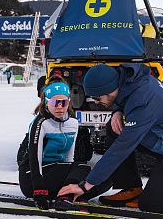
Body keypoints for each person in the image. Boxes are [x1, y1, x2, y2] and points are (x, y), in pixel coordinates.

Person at [58, 64, 163, 214]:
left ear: (110, 90)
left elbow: (121, 149)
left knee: (152, 205)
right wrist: (117, 111)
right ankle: (131, 188)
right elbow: (123, 99)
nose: (97, 102)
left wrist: (85, 186)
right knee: (114, 127)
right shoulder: (130, 79)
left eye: (97, 98)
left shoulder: (142, 100)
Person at [18, 77, 109, 209]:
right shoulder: (41, 123)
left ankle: (69, 195)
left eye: (64, 102)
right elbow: (34, 159)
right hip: (33, 177)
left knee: (105, 178)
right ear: (46, 102)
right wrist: (39, 191)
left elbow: (69, 158)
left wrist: (74, 176)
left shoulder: (72, 123)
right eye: (55, 102)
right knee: (84, 167)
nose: (60, 107)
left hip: (57, 173)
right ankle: (67, 196)